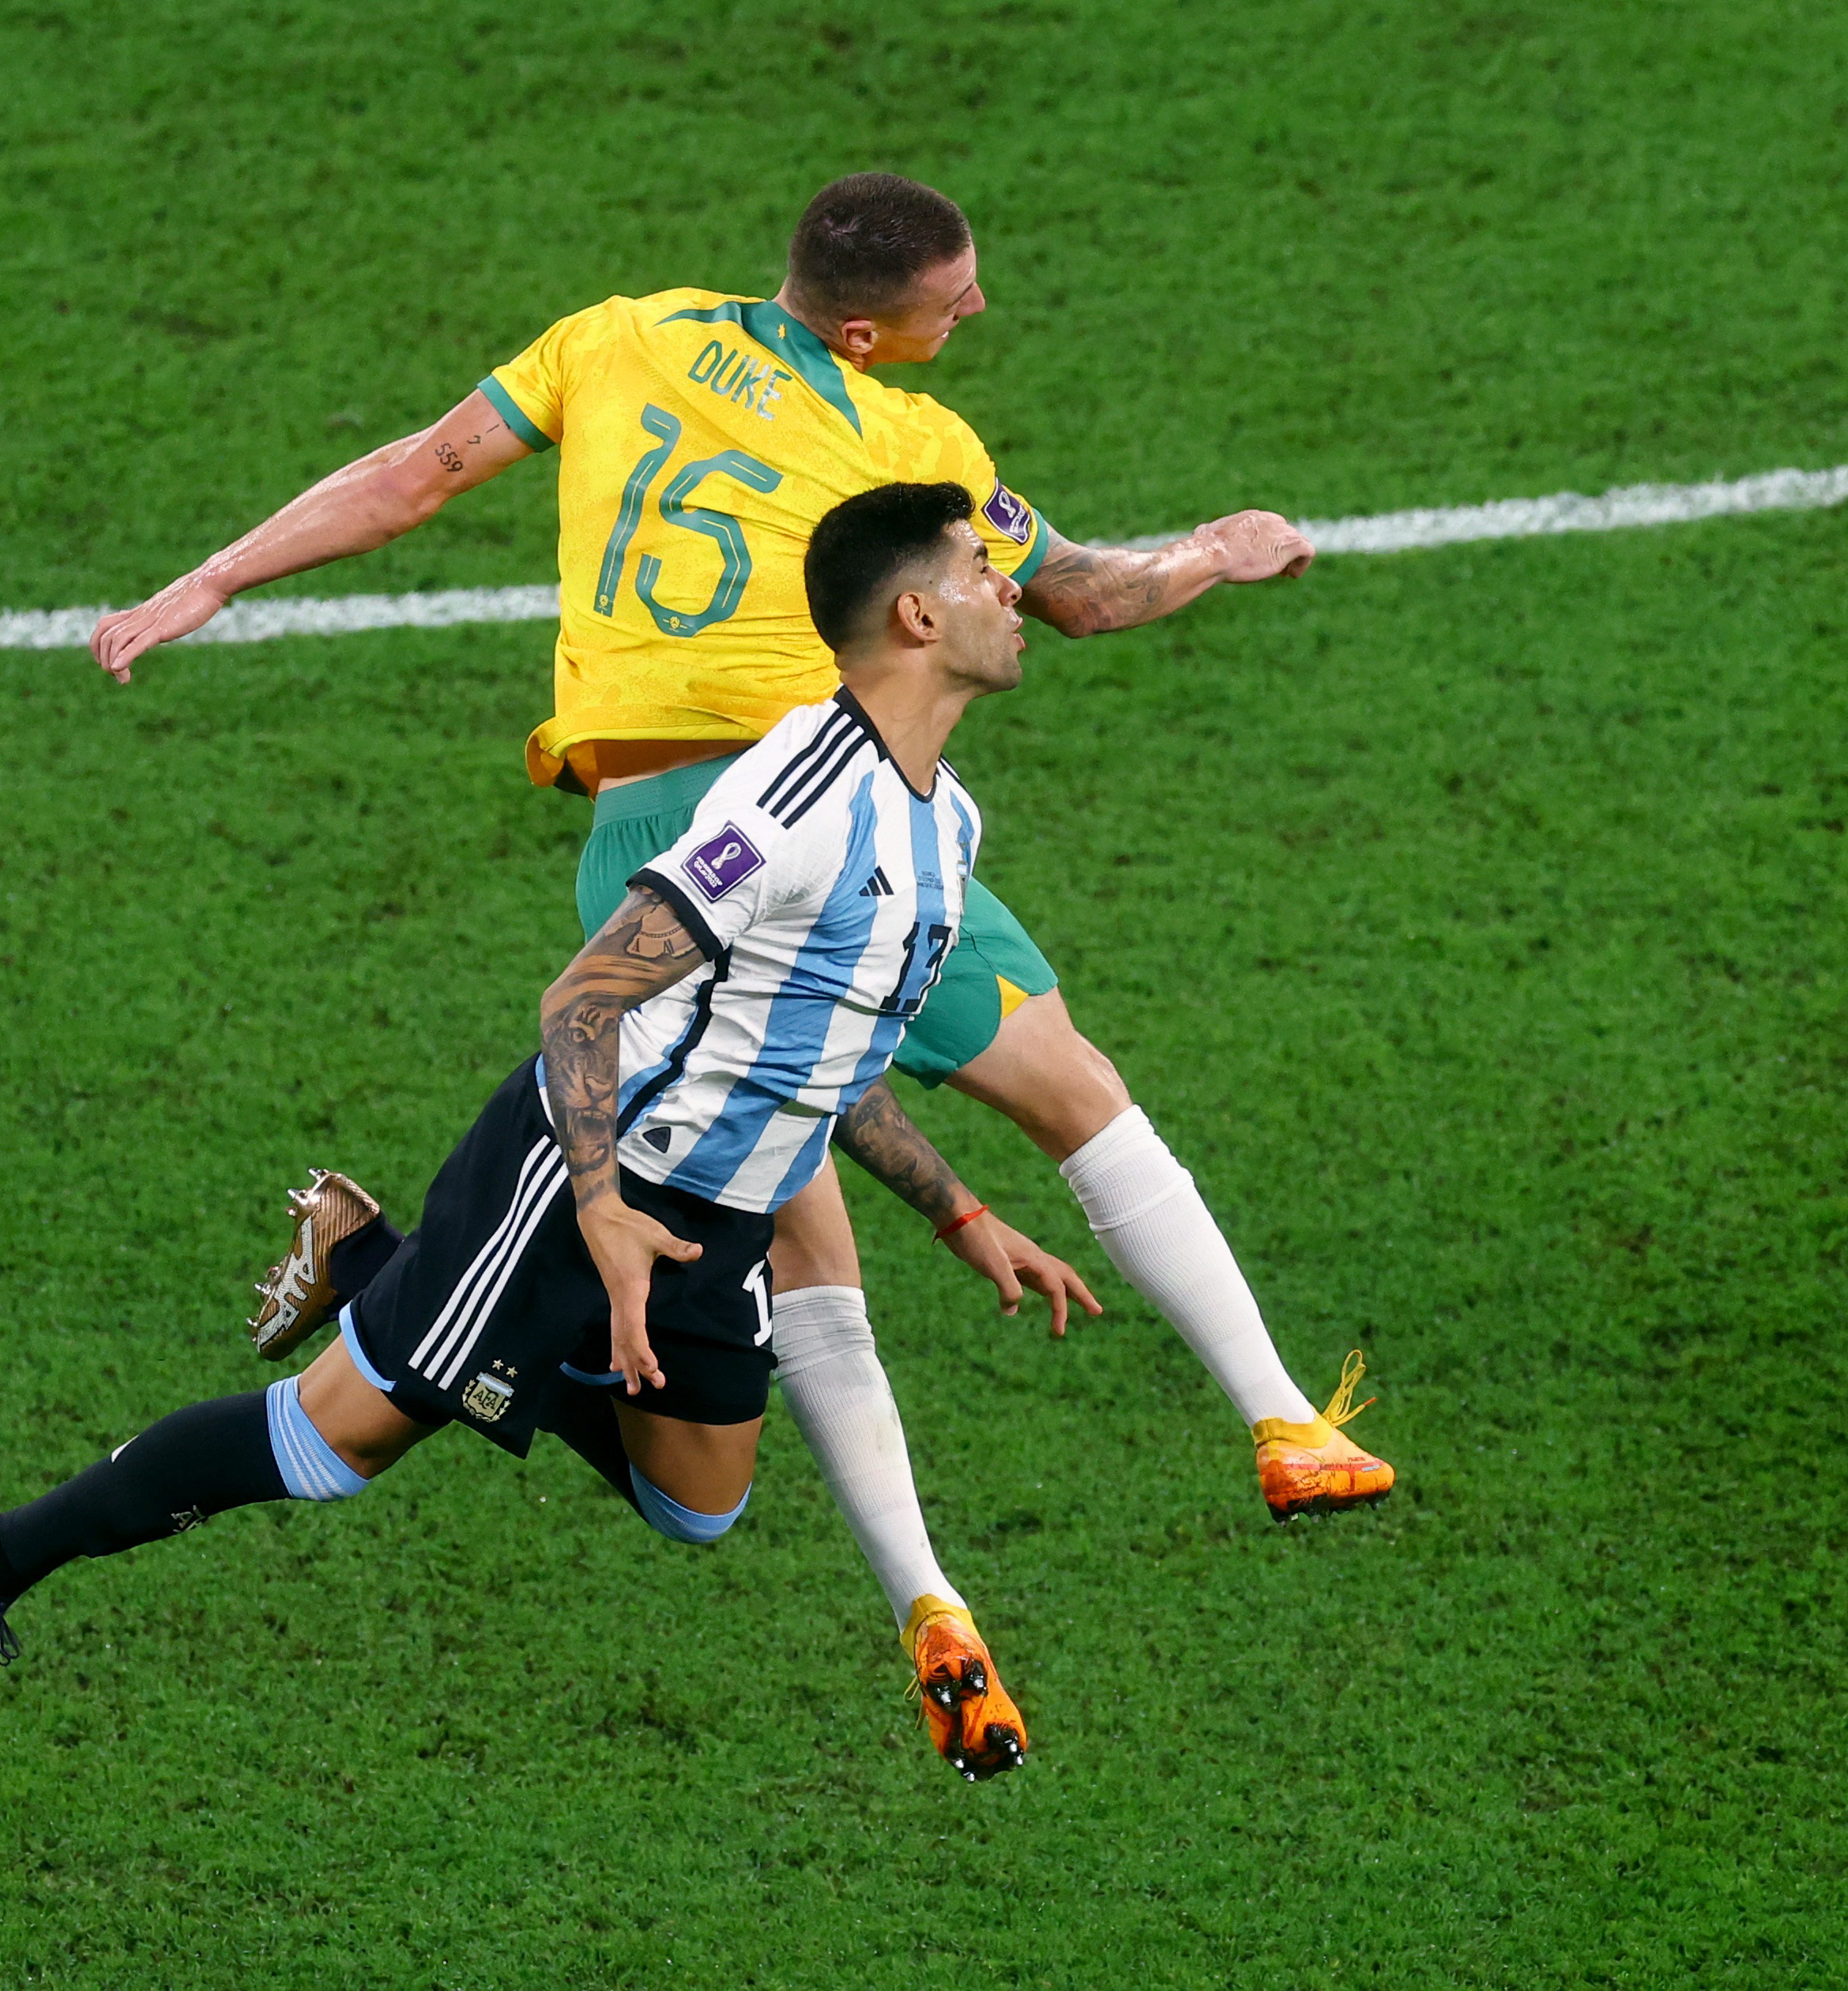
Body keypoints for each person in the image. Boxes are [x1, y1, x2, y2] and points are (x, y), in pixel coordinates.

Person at [90, 172, 1394, 1774]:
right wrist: (1220, 550)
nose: (976, 314)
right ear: (865, 334)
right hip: (806, 822)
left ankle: (929, 1605)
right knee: (1065, 1090)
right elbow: (1080, 595)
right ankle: (1277, 1419)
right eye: (952, 302)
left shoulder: (621, 332)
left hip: (635, 835)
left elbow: (417, 470)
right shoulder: (915, 449)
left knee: (797, 1225)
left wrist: (210, 580)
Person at [0, 486, 1065, 1772]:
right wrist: (602, 1214)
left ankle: (373, 1268)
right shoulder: (798, 806)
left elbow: (828, 1050)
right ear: (914, 615)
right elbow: (583, 1002)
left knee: (696, 1503)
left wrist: (953, 1208)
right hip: (580, 1180)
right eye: (978, 566)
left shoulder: (942, 816)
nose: (1010, 585)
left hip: (717, 1216)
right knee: (329, 1445)